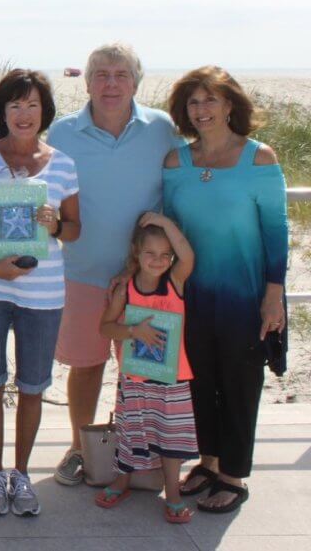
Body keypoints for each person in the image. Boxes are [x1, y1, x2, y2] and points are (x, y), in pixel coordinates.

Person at [47, 43, 181, 486]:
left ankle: (140, 453)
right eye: (101, 74)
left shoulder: (162, 129)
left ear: (136, 83)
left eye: (121, 74)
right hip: (81, 274)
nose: (110, 83)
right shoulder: (62, 133)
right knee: (86, 367)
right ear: (85, 83)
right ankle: (78, 448)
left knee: (145, 374)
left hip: (146, 281)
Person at [0, 69, 80, 517]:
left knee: (31, 387)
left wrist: (56, 225)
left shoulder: (63, 163)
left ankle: (22, 474)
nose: (24, 114)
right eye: (14, 105)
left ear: (44, 111)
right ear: (2, 111)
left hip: (43, 295)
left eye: (32, 105)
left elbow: (75, 229)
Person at [163, 66, 287, 513]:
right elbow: (168, 226)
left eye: (210, 100)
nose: (202, 110)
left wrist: (274, 295)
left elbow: (276, 232)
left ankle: (233, 474)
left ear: (230, 104)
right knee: (198, 382)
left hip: (245, 295)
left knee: (240, 382)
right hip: (189, 295)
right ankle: (208, 461)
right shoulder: (177, 162)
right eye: (194, 102)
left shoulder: (260, 159)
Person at [95, 213, 198, 524]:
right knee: (130, 432)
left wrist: (167, 225)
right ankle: (122, 480)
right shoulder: (126, 290)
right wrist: (132, 332)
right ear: (136, 253)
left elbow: (188, 254)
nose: (159, 260)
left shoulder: (176, 282)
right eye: (150, 253)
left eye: (165, 254)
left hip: (174, 378)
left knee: (172, 437)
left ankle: (173, 492)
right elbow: (105, 328)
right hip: (136, 377)